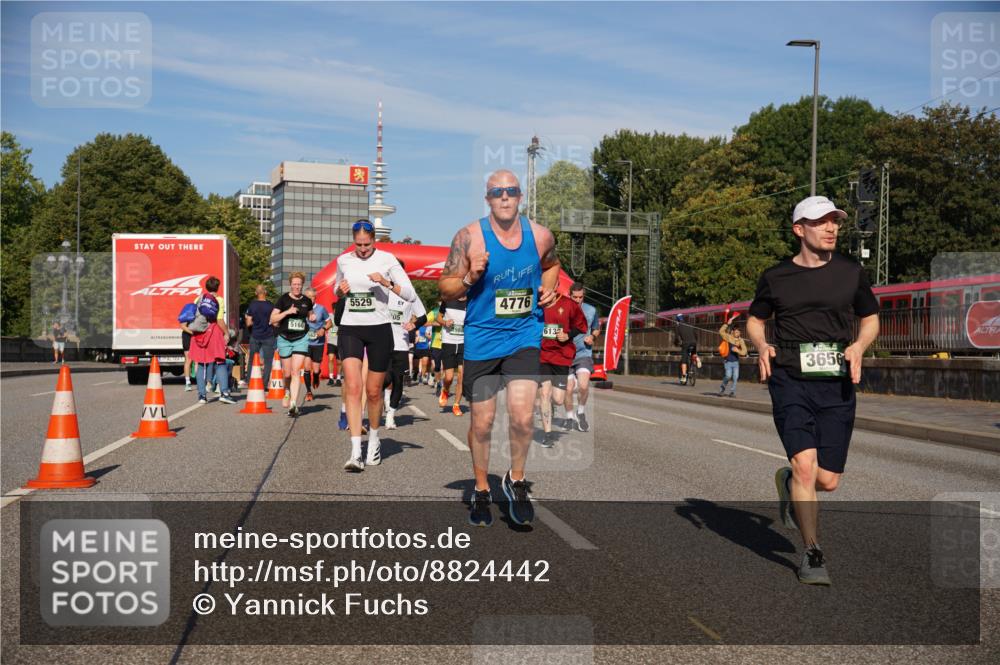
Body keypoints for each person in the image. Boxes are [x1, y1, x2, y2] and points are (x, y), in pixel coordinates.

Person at [746, 195, 879, 586]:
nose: (831, 227)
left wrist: (858, 346)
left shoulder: (851, 273)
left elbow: (870, 318)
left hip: (836, 383)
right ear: (799, 229)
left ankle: (788, 483)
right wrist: (761, 344)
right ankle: (812, 552)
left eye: (834, 221)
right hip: (790, 379)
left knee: (828, 480)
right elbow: (755, 320)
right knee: (807, 465)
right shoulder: (776, 276)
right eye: (820, 221)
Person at [439, 170, 560, 527]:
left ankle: (516, 481)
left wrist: (548, 289)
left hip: (524, 335)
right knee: (483, 423)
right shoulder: (469, 238)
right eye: (497, 192)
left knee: (523, 416)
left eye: (511, 191)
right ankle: (480, 488)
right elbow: (445, 290)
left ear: (520, 196)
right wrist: (470, 277)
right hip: (482, 338)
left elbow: (552, 266)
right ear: (488, 198)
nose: (504, 197)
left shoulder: (539, 237)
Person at [336, 219, 415, 471]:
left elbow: (410, 294)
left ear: (374, 241)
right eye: (358, 244)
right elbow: (337, 290)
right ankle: (355, 451)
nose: (362, 249)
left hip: (379, 329)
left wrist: (386, 282)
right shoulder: (344, 261)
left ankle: (374, 440)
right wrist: (340, 291)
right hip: (350, 327)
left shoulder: (387, 259)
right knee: (353, 385)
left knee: (373, 391)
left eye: (367, 244)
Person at [539, 293, 588, 447]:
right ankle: (547, 434)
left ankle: (551, 405)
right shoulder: (536, 303)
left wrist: (568, 335)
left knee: (559, 400)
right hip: (541, 354)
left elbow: (581, 326)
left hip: (561, 356)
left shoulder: (568, 304)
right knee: (544, 394)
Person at [384, 260, 427, 429]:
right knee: (383, 378)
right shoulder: (382, 291)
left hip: (401, 344)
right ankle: (385, 399)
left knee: (398, 380)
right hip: (382, 343)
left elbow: (423, 316)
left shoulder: (409, 294)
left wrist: (413, 325)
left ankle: (390, 415)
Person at [269, 272, 313, 417]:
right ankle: (286, 391)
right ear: (290, 284)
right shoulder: (283, 299)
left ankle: (293, 404)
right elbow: (272, 319)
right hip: (284, 338)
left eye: (299, 284)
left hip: (301, 338)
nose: (296, 287)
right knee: (287, 373)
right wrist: (287, 312)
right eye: (294, 284)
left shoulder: (307, 300)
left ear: (302, 285)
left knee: (296, 371)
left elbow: (310, 314)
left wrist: (312, 316)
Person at [188, 276, 235, 404]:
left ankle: (202, 396)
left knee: (201, 364)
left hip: (199, 334)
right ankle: (224, 393)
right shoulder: (218, 300)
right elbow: (219, 320)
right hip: (213, 333)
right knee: (220, 362)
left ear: (206, 287)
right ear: (218, 287)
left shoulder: (198, 298)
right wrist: (226, 333)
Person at [564, 283, 601, 432]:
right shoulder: (563, 308)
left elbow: (596, 328)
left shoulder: (591, 310)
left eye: (581, 297)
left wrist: (592, 336)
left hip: (583, 353)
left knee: (584, 386)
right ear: (569, 295)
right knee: (568, 389)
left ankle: (580, 412)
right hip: (565, 354)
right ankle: (569, 417)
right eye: (575, 297)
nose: (578, 300)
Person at [438, 297, 467, 416]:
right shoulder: (447, 301)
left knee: (461, 376)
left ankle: (456, 405)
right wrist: (445, 322)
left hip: (463, 342)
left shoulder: (470, 302)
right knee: (449, 377)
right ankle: (445, 390)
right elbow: (438, 317)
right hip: (448, 341)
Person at [244, 284, 276, 389]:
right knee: (268, 361)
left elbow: (248, 323)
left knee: (252, 360)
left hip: (255, 335)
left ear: (255, 293)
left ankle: (249, 382)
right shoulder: (271, 306)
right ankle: (264, 383)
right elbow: (274, 321)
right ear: (265, 292)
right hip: (268, 336)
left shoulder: (252, 305)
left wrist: (255, 323)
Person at [303, 286, 332, 402]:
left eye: (312, 297)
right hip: (305, 342)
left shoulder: (321, 309)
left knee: (315, 370)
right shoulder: (302, 309)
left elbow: (329, 323)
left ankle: (316, 376)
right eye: (307, 297)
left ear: (316, 298)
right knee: (306, 367)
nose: (310, 299)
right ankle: (309, 392)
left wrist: (323, 329)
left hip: (318, 343)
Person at [717, 312, 748, 397]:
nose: (738, 334)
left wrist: (738, 350)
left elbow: (744, 351)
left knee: (735, 378)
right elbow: (721, 332)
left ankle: (732, 392)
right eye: (736, 332)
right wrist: (727, 323)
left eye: (739, 332)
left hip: (736, 362)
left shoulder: (741, 340)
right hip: (727, 361)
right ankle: (722, 389)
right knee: (728, 376)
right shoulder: (728, 337)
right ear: (733, 331)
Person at [676, 312, 697, 385]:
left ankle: (684, 376)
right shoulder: (690, 324)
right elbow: (695, 334)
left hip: (686, 344)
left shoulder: (678, 327)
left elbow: (676, 338)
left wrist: (677, 343)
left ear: (678, 320)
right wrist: (695, 341)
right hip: (694, 343)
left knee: (684, 361)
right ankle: (695, 357)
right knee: (693, 352)